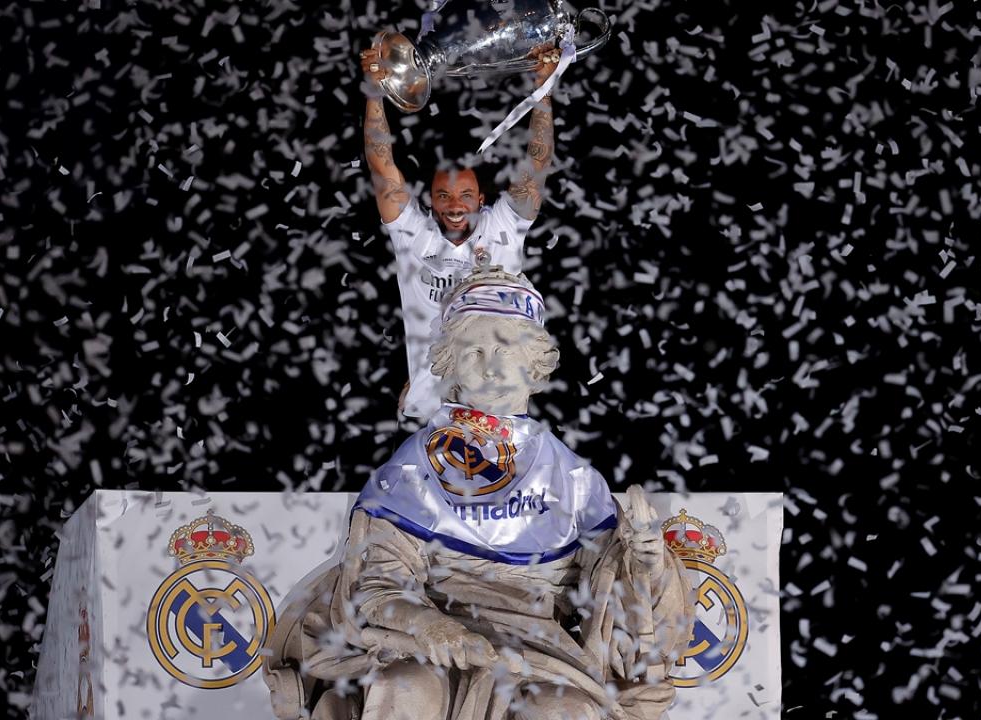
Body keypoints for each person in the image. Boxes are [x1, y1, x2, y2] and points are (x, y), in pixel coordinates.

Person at [263, 267, 694, 720]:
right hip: (428, 642)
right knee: (406, 686)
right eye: (474, 352)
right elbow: (377, 587)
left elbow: (614, 599)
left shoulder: (574, 480)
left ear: (534, 365)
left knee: (563, 711)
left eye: (505, 351)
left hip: (540, 655)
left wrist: (646, 564)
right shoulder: (412, 470)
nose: (491, 367)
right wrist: (430, 626)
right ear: (451, 366)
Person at [358, 42, 561, 419]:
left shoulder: (503, 225)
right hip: (431, 410)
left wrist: (544, 90)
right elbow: (380, 163)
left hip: (501, 408)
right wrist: (374, 92)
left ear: (481, 199)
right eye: (444, 196)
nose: (455, 205)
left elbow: (538, 162)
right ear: (430, 201)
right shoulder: (413, 234)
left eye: (465, 196)